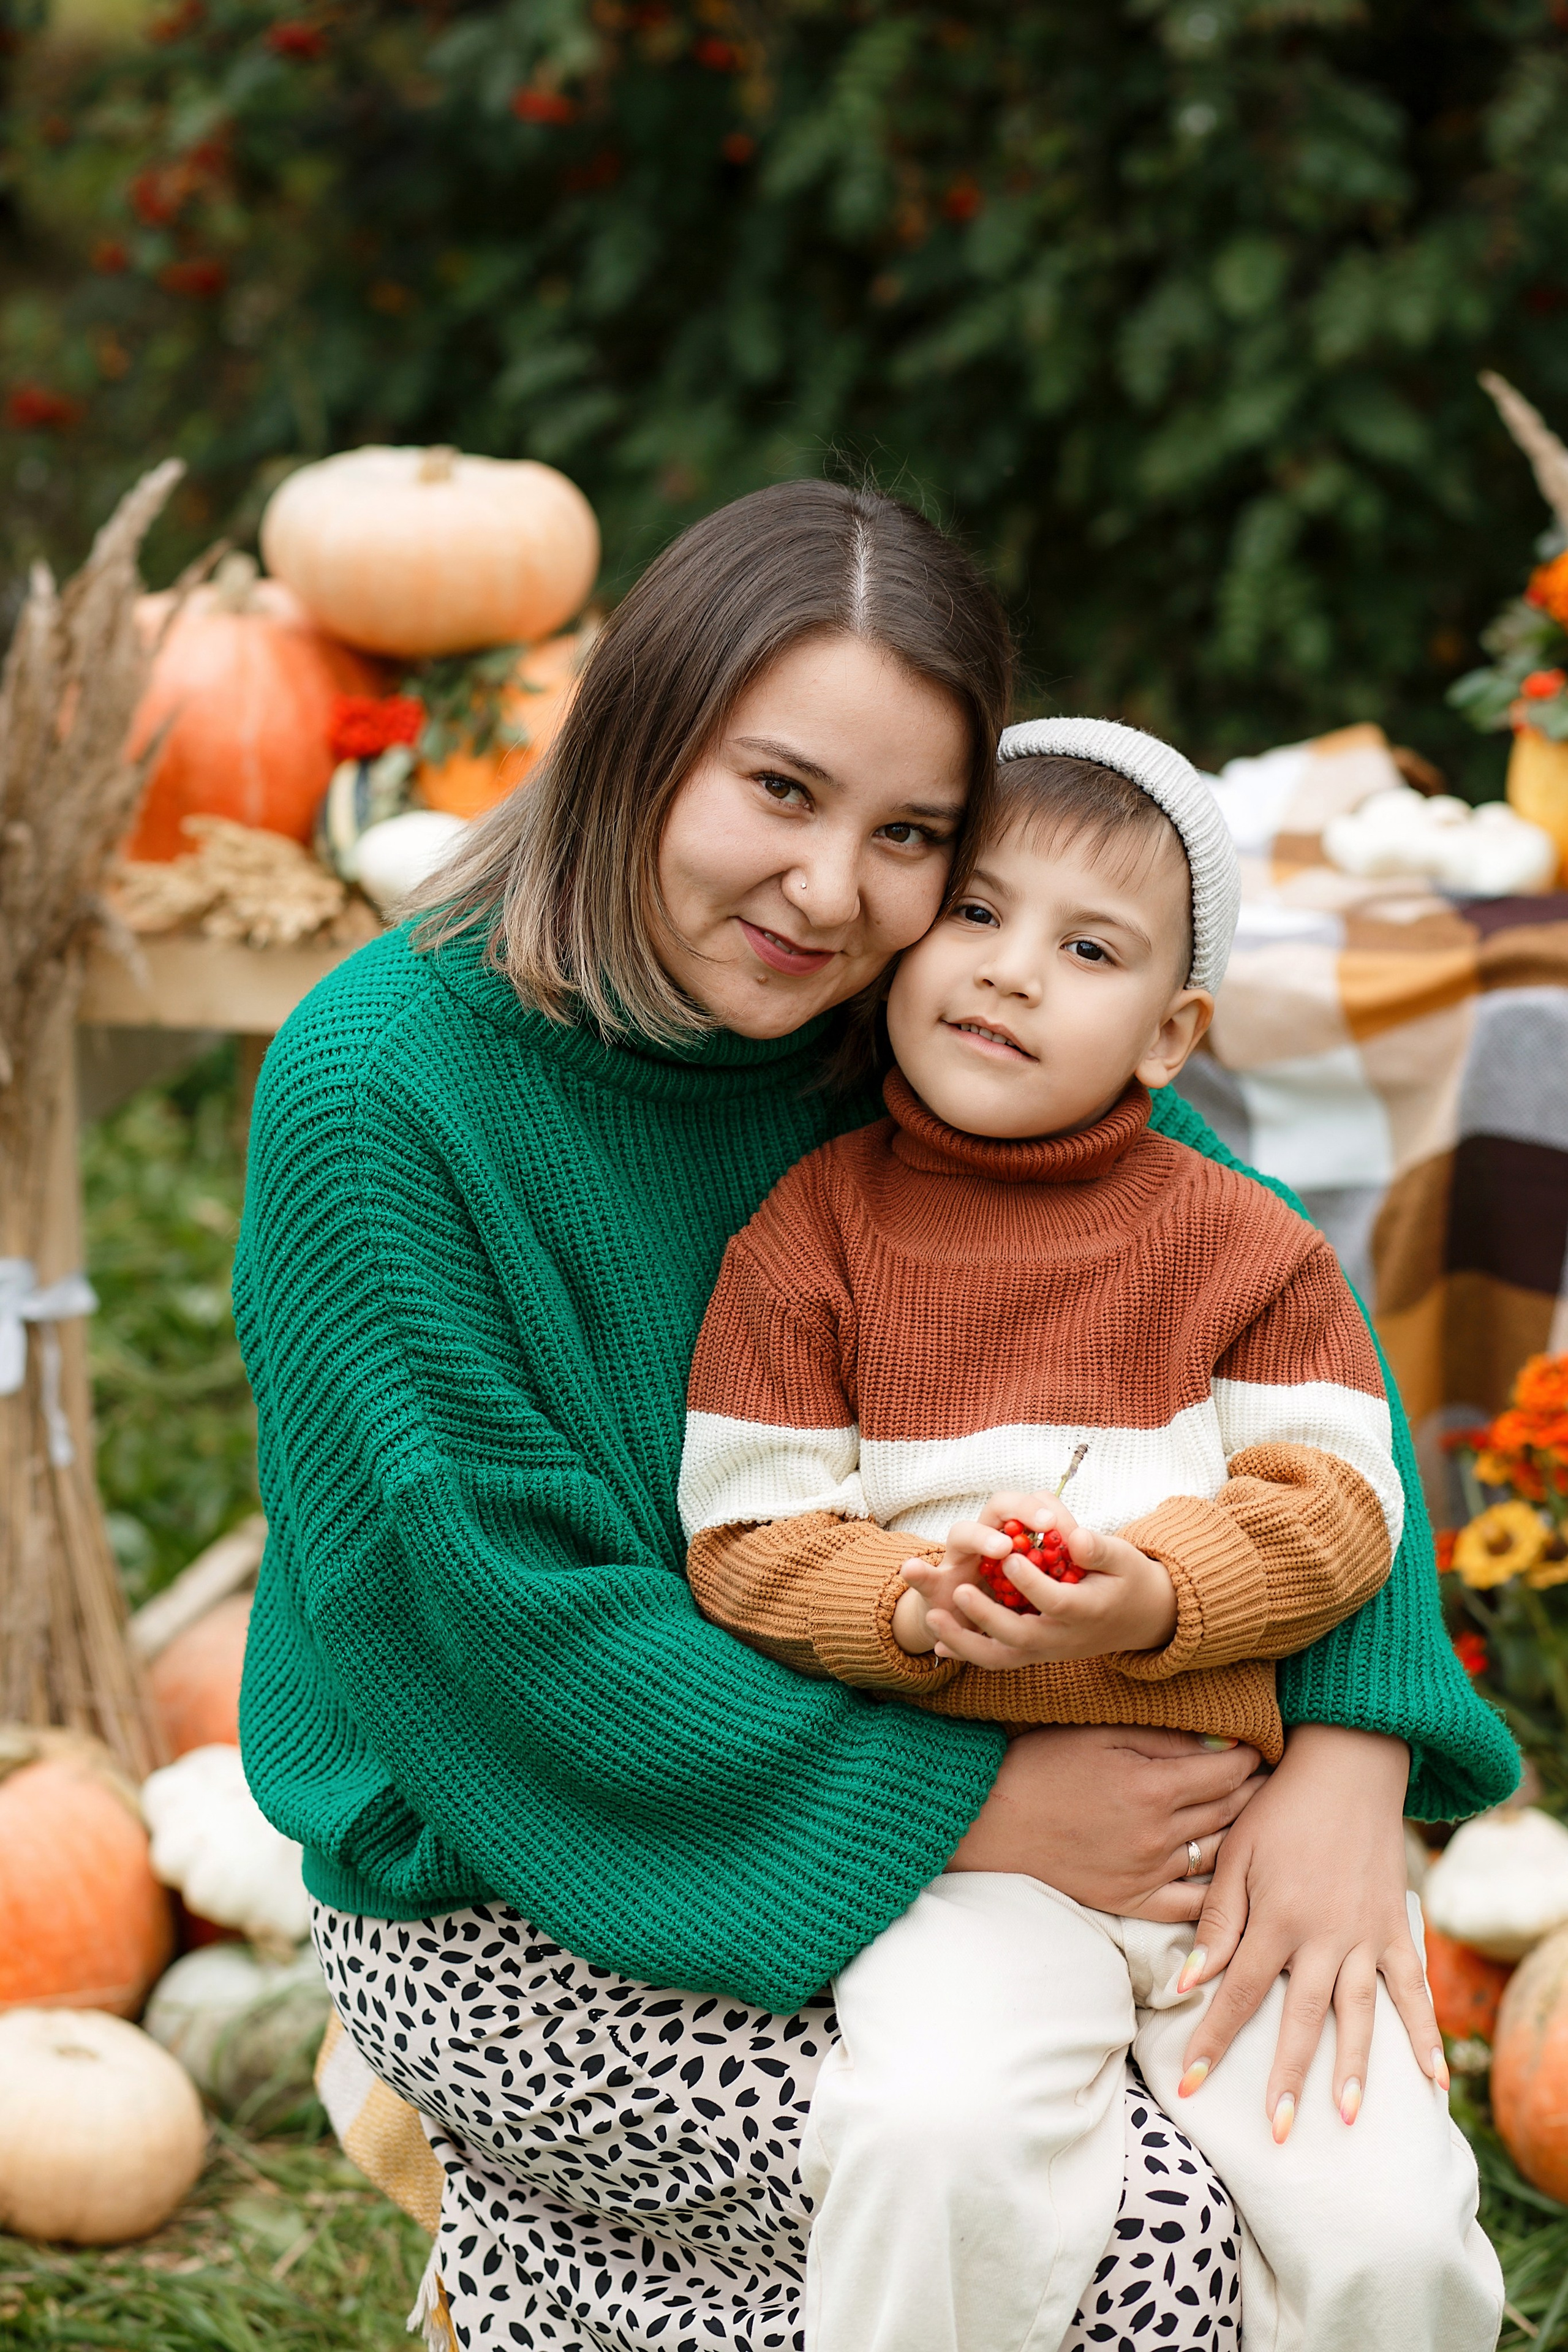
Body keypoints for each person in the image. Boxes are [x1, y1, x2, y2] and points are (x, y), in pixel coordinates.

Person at [235, 481, 1518, 2352]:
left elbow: (1255, 1316)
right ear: (635, 735)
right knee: (1146, 2252)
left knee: (1335, 2191)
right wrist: (981, 1804)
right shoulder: (379, 1091)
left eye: (910, 833)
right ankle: (526, 2258)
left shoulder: (897, 1020)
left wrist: (1353, 1754)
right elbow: (493, 1624)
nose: (830, 891)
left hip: (1005, 1789)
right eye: (777, 790)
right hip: (520, 1862)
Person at [680, 719, 1503, 2351]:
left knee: (1392, 2237)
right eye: (977, 915)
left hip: (1238, 1857)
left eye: (1091, 947)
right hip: (968, 1865)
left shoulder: (1241, 1244)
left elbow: (1341, 1502)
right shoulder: (812, 1238)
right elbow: (752, 1530)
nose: (1012, 974)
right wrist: (912, 1602)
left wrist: (1156, 1596)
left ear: (1170, 1032)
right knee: (933, 2145)